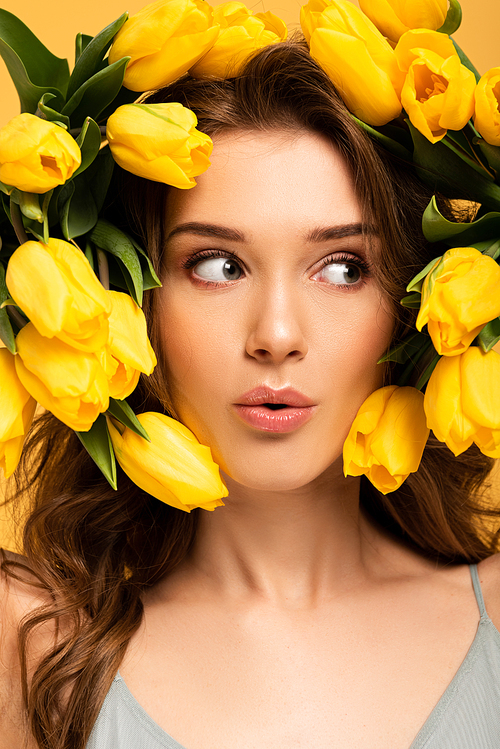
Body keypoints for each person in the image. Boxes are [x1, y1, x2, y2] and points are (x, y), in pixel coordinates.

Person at [1, 4, 500, 749]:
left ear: (412, 301)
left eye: (342, 267)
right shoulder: (31, 642)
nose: (276, 336)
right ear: (129, 302)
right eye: (217, 266)